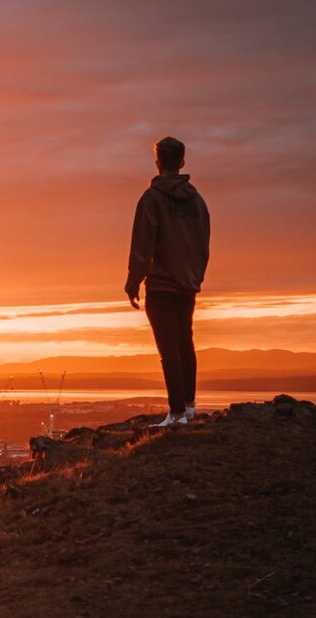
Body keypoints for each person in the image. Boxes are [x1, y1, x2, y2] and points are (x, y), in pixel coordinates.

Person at [124, 136, 211, 427]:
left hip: (161, 284)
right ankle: (188, 407)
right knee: (185, 342)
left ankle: (176, 414)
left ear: (157, 162)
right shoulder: (197, 201)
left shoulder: (152, 199)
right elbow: (203, 241)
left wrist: (133, 282)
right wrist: (195, 275)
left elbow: (142, 244)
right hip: (187, 284)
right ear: (182, 162)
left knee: (169, 348)